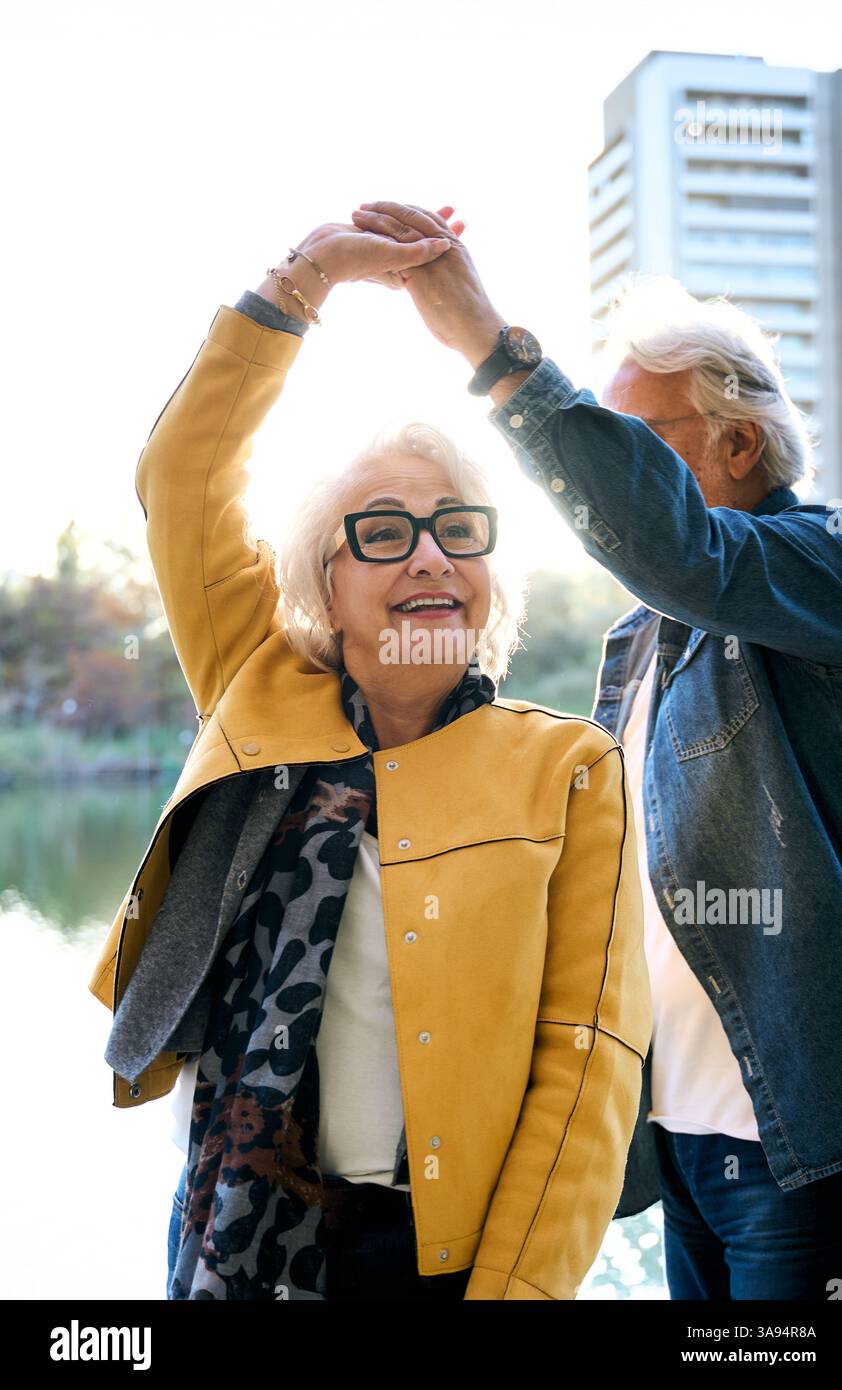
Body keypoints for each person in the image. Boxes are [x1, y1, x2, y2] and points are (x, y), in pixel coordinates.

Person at [87, 215, 653, 1302]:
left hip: (440, 1262)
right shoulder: (255, 686)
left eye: (458, 529)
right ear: (325, 583)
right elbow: (183, 476)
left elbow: (585, 1068)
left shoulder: (569, 770)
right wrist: (306, 280)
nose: (430, 556)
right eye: (384, 533)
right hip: (237, 1233)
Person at [350, 199, 842, 1301]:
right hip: (675, 1136)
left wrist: (489, 348)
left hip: (812, 1149)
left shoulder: (833, 565)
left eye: (642, 443)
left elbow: (685, 551)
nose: (614, 474)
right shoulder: (641, 639)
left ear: (738, 443)